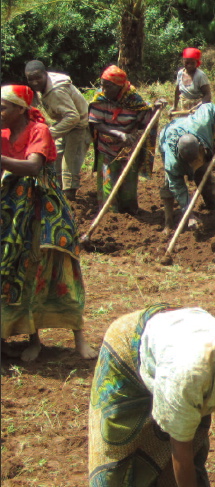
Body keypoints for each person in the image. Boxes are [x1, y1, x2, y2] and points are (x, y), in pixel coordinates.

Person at [87, 305, 215, 486]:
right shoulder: (190, 374)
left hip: (176, 342)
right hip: (129, 344)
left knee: (186, 446)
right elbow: (181, 453)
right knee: (118, 448)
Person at [1, 85, 95, 362]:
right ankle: (33, 339)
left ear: (20, 109)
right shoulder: (4, 132)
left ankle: (79, 338)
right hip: (13, 209)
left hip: (43, 209)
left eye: (3, 107)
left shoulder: (38, 131)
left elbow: (32, 167)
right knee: (23, 270)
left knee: (58, 266)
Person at [88, 65, 159, 214]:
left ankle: (129, 210)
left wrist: (154, 110)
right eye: (103, 85)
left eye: (108, 86)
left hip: (127, 148)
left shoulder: (133, 99)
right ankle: (110, 214)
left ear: (119, 86)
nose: (104, 89)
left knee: (129, 185)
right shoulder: (99, 98)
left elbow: (144, 119)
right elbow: (96, 124)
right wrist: (118, 134)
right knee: (108, 184)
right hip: (106, 147)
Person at [159, 103, 215, 233]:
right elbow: (178, 187)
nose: (194, 165)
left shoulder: (201, 123)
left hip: (191, 131)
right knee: (169, 185)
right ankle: (169, 222)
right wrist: (189, 215)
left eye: (196, 160)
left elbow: (211, 107)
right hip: (167, 137)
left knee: (204, 175)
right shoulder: (172, 162)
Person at [24, 60, 91, 201]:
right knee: (55, 157)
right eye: (31, 79)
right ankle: (57, 194)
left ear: (45, 75)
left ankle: (70, 198)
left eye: (38, 77)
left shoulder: (56, 90)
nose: (35, 82)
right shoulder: (43, 87)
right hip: (63, 123)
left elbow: (73, 117)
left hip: (79, 125)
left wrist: (49, 133)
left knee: (70, 163)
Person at [172, 47, 212, 111]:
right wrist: (174, 106)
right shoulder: (180, 73)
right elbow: (177, 91)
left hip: (198, 108)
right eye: (187, 62)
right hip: (184, 108)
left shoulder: (200, 75)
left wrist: (199, 107)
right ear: (183, 61)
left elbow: (207, 95)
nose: (189, 65)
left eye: (192, 63)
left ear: (197, 63)